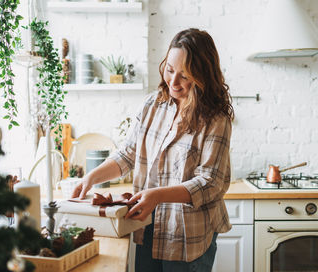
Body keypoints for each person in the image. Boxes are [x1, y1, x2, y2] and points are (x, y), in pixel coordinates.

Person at [72, 28, 234, 272]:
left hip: (188, 237)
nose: (173, 82)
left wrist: (157, 195)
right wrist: (91, 177)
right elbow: (128, 154)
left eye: (185, 75)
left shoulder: (215, 119)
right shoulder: (153, 104)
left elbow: (211, 182)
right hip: (146, 227)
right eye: (169, 70)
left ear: (203, 76)